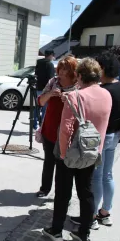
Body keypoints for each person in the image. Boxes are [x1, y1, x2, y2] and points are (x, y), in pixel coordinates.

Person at [43, 58, 112, 241]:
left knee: (63, 193)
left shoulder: (76, 96)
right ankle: (84, 233)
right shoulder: (107, 95)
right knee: (86, 192)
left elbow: (65, 129)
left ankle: (56, 230)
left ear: (80, 76)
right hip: (92, 151)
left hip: (72, 152)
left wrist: (63, 154)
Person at [70, 52, 120, 229]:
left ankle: (92, 215)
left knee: (96, 177)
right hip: (116, 136)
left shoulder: (104, 91)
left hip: (101, 137)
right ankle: (105, 212)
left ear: (102, 68)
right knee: (108, 175)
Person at [36, 56, 78, 198]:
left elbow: (81, 105)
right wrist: (50, 94)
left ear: (72, 71)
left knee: (65, 166)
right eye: (60, 68)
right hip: (50, 128)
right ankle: (44, 189)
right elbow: (40, 102)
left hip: (68, 131)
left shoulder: (77, 84)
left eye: (65, 69)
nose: (61, 72)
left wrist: (67, 98)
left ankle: (63, 195)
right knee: (48, 162)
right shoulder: (53, 82)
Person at [34, 50, 55, 129]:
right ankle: (42, 125)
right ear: (51, 55)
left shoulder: (39, 63)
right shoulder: (50, 64)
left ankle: (34, 124)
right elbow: (51, 78)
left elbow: (36, 74)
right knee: (45, 109)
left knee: (37, 107)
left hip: (38, 88)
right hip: (46, 90)